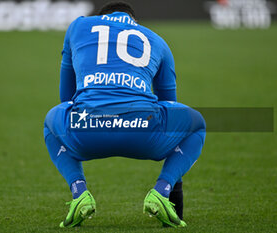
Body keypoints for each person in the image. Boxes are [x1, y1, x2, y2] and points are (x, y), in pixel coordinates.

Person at [44, 1, 206, 228]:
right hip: (143, 131)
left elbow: (66, 98)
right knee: (196, 124)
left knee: (51, 121)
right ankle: (162, 190)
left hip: (87, 131)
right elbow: (170, 105)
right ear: (134, 22)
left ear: (102, 17)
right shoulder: (156, 40)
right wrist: (176, 196)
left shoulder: (78, 27)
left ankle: (79, 191)